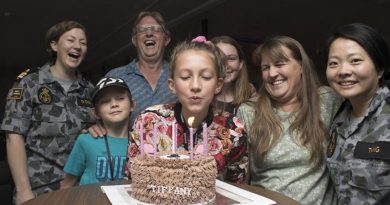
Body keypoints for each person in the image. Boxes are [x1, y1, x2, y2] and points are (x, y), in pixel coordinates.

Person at [126, 37, 249, 183]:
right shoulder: (148, 121)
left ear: (218, 84)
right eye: (185, 77)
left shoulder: (233, 130)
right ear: (172, 85)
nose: (195, 86)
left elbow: (236, 187)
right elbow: (132, 179)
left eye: (206, 77)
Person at [238, 35, 341, 205]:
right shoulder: (249, 111)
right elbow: (240, 176)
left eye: (279, 64)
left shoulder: (327, 101)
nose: (272, 73)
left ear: (300, 66)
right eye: (265, 67)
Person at [0, 21, 95, 204]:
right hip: (38, 189)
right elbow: (14, 137)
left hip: (79, 187)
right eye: (71, 40)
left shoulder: (89, 90)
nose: (77, 46)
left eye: (83, 43)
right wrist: (23, 191)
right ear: (54, 45)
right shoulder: (30, 83)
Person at [324, 23, 390, 204]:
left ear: (380, 69)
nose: (343, 71)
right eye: (334, 63)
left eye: (355, 61)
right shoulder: (339, 117)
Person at [104, 11, 176, 128]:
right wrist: (95, 126)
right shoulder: (115, 77)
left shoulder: (179, 75)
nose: (149, 33)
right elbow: (99, 117)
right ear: (135, 40)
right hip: (128, 146)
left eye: (156, 29)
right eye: (142, 30)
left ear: (166, 39)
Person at [60, 77, 134, 188]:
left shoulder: (140, 143)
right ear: (96, 113)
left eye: (120, 98)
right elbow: (67, 185)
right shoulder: (86, 140)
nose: (114, 104)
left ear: (132, 105)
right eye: (105, 101)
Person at [210, 36, 257, 116]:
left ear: (240, 63)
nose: (226, 65)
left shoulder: (250, 95)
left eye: (231, 58)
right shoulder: (201, 96)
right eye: (219, 59)